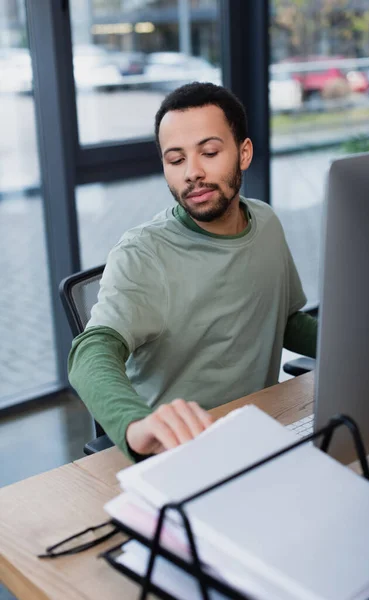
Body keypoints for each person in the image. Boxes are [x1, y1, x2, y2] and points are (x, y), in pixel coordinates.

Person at [69, 82, 317, 460]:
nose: (192, 173)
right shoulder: (142, 254)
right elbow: (91, 353)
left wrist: (365, 347)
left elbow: (283, 319)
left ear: (244, 153)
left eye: (210, 152)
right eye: (175, 159)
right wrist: (136, 425)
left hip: (260, 429)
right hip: (179, 451)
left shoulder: (265, 222)